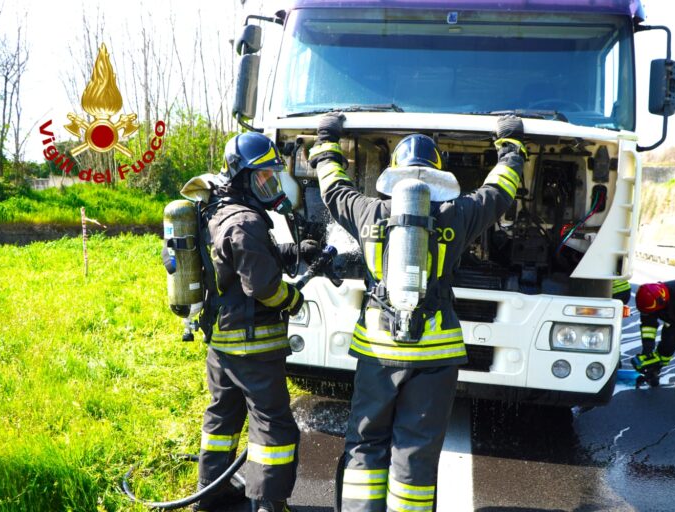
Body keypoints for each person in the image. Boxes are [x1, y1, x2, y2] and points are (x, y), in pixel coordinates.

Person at [309, 113, 525, 512]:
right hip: (436, 356)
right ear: (439, 175)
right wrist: (510, 145)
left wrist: (327, 140)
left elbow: (333, 188)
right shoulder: (457, 215)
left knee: (366, 443)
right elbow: (499, 191)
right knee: (416, 451)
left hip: (378, 351)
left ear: (393, 173)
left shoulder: (367, 212)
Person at [193, 132, 320, 512]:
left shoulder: (219, 211)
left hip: (222, 342)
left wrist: (292, 252)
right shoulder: (246, 221)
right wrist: (293, 299)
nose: (269, 185)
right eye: (263, 177)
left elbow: (239, 261)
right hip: (253, 345)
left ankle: (210, 493)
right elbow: (262, 286)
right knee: (273, 425)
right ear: (243, 177)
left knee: (222, 417)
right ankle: (268, 503)